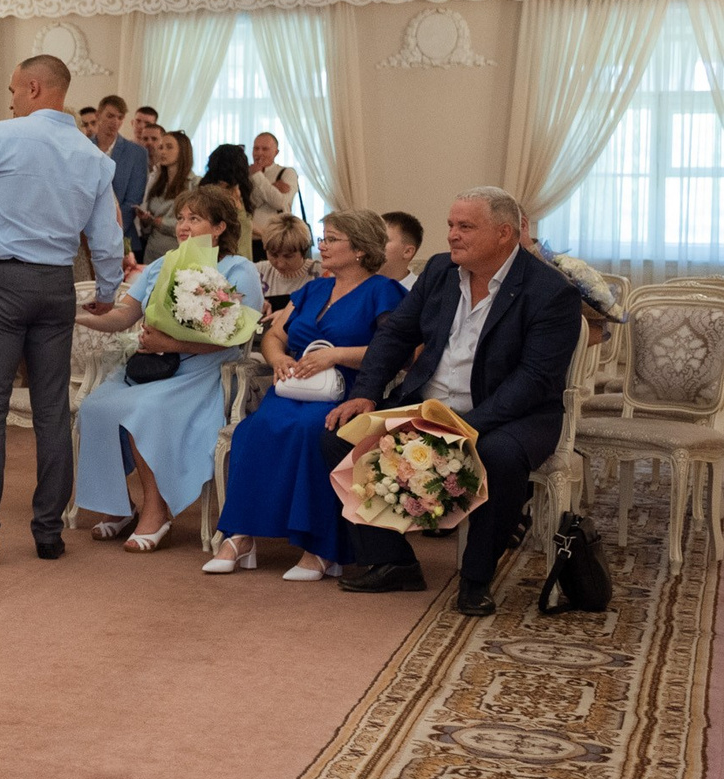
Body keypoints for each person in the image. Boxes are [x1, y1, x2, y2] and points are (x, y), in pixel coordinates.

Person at [320, 187, 583, 616]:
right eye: (450, 225)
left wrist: (466, 425)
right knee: (338, 435)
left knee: (496, 455)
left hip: (511, 414)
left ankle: (477, 578)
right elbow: (396, 334)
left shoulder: (550, 292)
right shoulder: (441, 271)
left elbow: (535, 380)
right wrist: (366, 393)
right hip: (431, 406)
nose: (452, 236)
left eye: (465, 227)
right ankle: (394, 561)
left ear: (504, 233)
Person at [0, 55, 124, 566]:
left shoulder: (1, 136)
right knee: (51, 411)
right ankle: (48, 532)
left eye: (15, 88)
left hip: (1, 282)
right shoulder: (92, 156)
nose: (12, 97)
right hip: (56, 284)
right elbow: (107, 238)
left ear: (36, 87)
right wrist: (106, 289)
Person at [212, 210, 408, 578]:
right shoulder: (314, 289)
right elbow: (274, 334)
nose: (323, 246)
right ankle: (241, 536)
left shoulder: (384, 291)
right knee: (251, 431)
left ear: (361, 249)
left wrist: (336, 355)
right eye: (323, 238)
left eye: (332, 239)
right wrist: (279, 359)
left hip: (345, 393)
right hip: (292, 388)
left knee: (309, 432)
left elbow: (398, 351)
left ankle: (321, 547)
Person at [72, 186, 265, 551]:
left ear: (220, 226)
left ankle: (156, 512)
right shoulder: (162, 264)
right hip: (153, 365)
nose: (184, 226)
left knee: (144, 410)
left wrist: (172, 344)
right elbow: (123, 316)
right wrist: (76, 315)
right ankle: (117, 507)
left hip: (205, 370)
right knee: (94, 407)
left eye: (196, 218)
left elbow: (234, 338)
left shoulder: (239, 269)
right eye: (182, 218)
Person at [89, 94, 151, 260]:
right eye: (110, 116)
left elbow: (133, 201)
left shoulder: (137, 153)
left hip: (122, 235)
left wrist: (108, 232)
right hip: (85, 234)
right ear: (98, 115)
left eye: (120, 117)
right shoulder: (83, 146)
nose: (115, 122)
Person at [136, 130, 192, 266]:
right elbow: (148, 228)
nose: (163, 152)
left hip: (177, 252)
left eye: (169, 147)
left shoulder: (193, 184)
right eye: (160, 147)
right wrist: (145, 220)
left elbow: (193, 224)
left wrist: (160, 222)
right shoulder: (156, 182)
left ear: (182, 151)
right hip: (152, 251)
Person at [250, 132, 301, 250]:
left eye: (265, 149)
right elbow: (250, 203)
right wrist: (273, 187)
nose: (259, 153)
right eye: (256, 148)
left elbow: (279, 202)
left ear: (276, 152)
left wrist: (258, 176)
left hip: (278, 240)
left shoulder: (287, 173)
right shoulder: (247, 174)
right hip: (251, 239)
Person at [259, 216, 320, 313]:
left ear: (303, 251)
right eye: (273, 255)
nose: (280, 264)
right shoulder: (257, 271)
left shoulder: (321, 273)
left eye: (288, 256)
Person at [380, 211, 423, 283]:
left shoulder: (421, 291)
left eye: (382, 240)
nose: (373, 245)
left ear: (407, 252)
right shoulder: (359, 286)